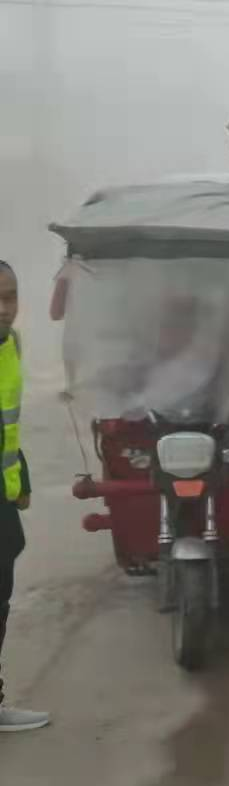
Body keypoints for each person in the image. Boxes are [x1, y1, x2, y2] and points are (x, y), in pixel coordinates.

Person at [0, 261, 49, 733]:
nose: (3, 308)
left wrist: (23, 478)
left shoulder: (11, 344)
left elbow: (7, 424)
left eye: (10, 296)